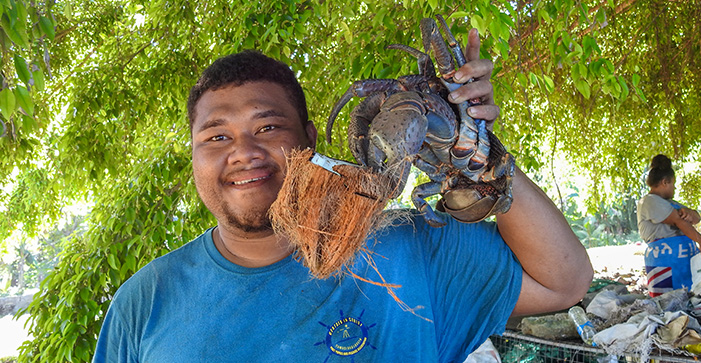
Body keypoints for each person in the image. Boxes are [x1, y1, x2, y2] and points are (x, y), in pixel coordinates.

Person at [93, 29, 593, 362]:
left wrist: (482, 155)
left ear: (310, 141)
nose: (243, 152)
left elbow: (563, 282)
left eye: (267, 127)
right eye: (217, 136)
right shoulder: (144, 304)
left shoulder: (410, 249)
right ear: (194, 156)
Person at [637, 154, 701, 297]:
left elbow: (696, 218)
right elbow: (680, 221)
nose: (675, 187)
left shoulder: (670, 203)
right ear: (665, 182)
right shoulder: (649, 201)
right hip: (664, 264)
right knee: (667, 304)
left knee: (689, 300)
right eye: (673, 183)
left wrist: (691, 213)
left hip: (683, 263)